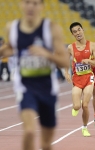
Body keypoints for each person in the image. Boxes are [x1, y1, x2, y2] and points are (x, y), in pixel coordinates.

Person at [0, 0, 69, 150]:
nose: (31, 6)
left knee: (46, 144)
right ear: (21, 4)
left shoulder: (51, 29)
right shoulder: (12, 28)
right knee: (30, 131)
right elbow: (10, 49)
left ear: (42, 6)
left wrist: (46, 54)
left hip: (48, 90)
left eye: (36, 3)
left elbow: (65, 62)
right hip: (25, 89)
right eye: (28, 2)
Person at [64, 22, 95, 137]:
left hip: (89, 77)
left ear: (83, 30)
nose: (77, 33)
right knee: (77, 107)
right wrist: (66, 72)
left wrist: (89, 61)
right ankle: (76, 105)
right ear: (73, 34)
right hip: (77, 79)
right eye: (75, 32)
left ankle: (84, 127)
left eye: (79, 30)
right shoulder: (71, 47)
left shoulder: (92, 45)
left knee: (85, 105)